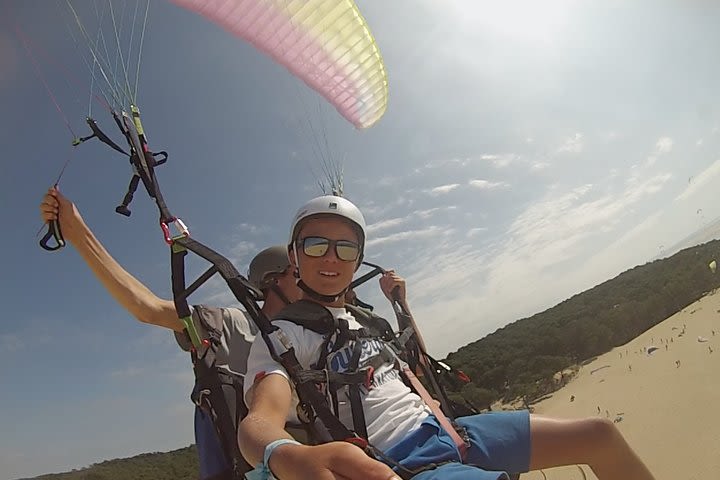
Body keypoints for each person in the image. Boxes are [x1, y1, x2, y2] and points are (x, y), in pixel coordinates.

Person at [239, 194, 656, 480]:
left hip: (454, 432)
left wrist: (401, 305)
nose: (331, 257)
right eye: (316, 245)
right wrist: (287, 455)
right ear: (294, 256)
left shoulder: (367, 321)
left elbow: (420, 364)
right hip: (406, 462)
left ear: (359, 259)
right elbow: (259, 420)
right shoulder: (283, 338)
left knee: (600, 435)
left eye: (346, 249)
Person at [39, 187, 303, 479]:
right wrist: (77, 232)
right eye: (297, 272)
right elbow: (147, 307)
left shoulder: (319, 334)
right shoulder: (230, 326)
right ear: (272, 279)